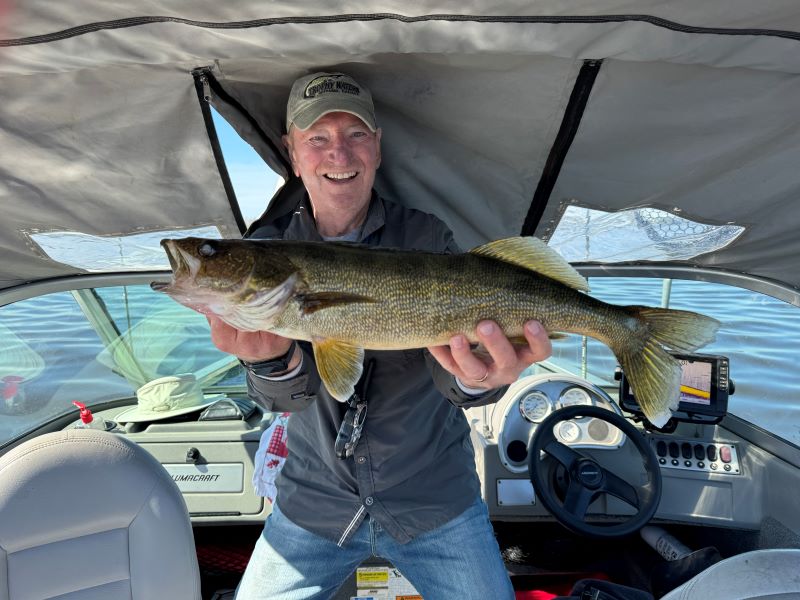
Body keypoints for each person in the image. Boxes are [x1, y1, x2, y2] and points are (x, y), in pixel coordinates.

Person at [209, 71, 552, 600]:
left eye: (356, 135)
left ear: (377, 148)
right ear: (293, 154)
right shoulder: (268, 249)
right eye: (317, 139)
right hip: (313, 503)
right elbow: (287, 398)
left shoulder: (425, 236)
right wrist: (271, 364)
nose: (338, 154)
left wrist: (483, 381)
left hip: (435, 500)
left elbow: (452, 378)